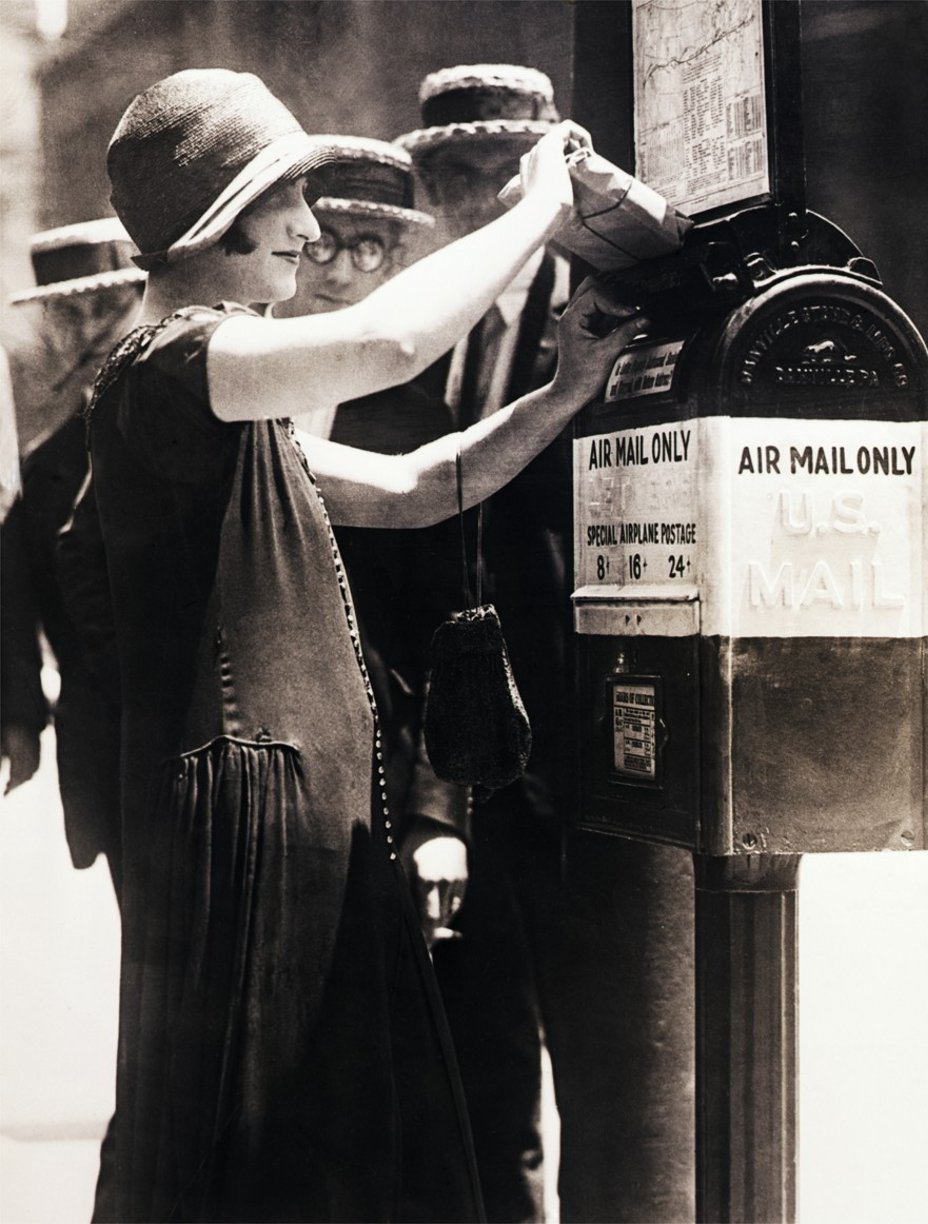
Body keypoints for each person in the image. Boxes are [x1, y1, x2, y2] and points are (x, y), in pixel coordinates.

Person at [77, 67, 644, 1224]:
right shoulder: (175, 361)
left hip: (294, 821)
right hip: (255, 826)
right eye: (285, 203)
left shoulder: (212, 391)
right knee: (282, 1160)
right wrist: (540, 204)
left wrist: (566, 385)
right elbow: (390, 342)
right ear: (211, 213)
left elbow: (427, 483)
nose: (306, 231)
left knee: (319, 1157)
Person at [395, 64, 573, 1221]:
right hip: (476, 759)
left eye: (496, 172)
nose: (472, 197)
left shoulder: (589, 311)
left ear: (541, 175)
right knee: (483, 1061)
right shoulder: (446, 334)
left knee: (600, 1068)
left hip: (574, 760)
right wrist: (437, 799)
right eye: (449, 175)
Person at [276, 136, 471, 951]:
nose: (343, 272)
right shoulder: (235, 386)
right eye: (322, 242)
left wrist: (436, 816)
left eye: (370, 249)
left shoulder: (419, 428)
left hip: (371, 784)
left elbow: (452, 633)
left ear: (393, 264)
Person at [0, 218, 142, 840]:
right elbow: (14, 594)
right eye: (69, 312)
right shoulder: (43, 465)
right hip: (104, 749)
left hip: (215, 731)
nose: (93, 331)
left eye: (110, 307)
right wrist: (20, 720)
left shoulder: (196, 431)